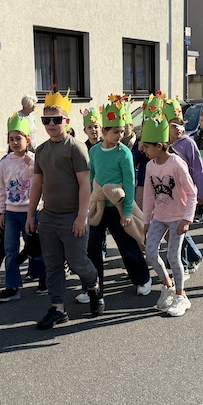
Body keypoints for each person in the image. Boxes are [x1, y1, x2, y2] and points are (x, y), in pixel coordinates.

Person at [27, 88, 102, 329]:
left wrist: (82, 216)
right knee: (52, 265)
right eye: (46, 120)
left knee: (78, 262)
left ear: (66, 121)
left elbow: (84, 184)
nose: (51, 124)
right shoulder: (41, 150)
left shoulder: (76, 147)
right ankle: (58, 308)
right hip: (49, 216)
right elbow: (37, 184)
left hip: (73, 216)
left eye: (56, 120)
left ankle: (94, 286)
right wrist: (31, 214)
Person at [82, 96, 151, 302]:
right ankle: (93, 287)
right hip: (99, 205)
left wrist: (127, 211)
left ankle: (143, 278)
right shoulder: (95, 151)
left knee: (126, 244)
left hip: (118, 206)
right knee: (92, 247)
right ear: (104, 132)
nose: (120, 135)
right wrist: (90, 201)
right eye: (115, 132)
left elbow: (129, 183)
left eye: (122, 131)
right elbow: (92, 177)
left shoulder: (125, 153)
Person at [141, 112, 197, 317]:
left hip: (177, 218)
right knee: (150, 253)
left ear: (159, 146)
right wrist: (146, 221)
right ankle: (167, 285)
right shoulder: (150, 166)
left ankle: (181, 296)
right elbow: (148, 195)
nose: (143, 150)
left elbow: (192, 193)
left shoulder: (176, 163)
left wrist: (186, 219)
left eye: (146, 147)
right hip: (159, 217)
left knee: (173, 256)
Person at [0, 112, 37, 302]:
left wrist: (32, 164)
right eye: (11, 139)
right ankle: (12, 286)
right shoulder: (5, 162)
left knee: (35, 248)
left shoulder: (34, 159)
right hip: (11, 213)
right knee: (10, 250)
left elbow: (41, 180)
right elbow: (1, 189)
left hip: (30, 212)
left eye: (18, 138)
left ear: (27, 139)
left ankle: (41, 278)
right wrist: (2, 211)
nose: (14, 142)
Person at [165, 100, 203, 273]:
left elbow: (198, 168)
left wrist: (201, 192)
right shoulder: (162, 143)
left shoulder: (188, 143)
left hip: (184, 193)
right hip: (167, 193)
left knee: (178, 227)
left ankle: (181, 262)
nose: (177, 128)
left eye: (179, 124)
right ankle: (193, 256)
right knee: (173, 227)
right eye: (172, 124)